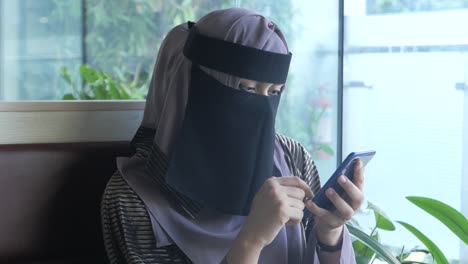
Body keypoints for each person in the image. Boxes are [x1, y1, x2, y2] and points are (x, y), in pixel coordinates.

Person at [101, 7, 364, 264]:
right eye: (246, 88)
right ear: (194, 87)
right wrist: (251, 241)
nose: (260, 109)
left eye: (273, 92)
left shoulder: (292, 159)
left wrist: (329, 233)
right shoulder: (133, 200)